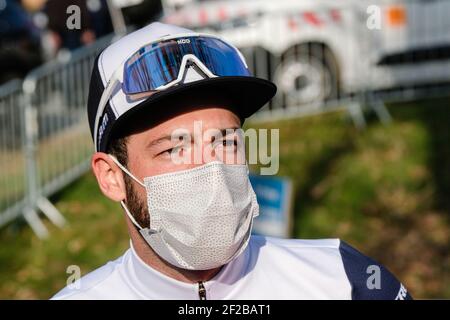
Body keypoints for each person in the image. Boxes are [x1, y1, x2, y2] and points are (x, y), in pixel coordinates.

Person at [52, 22, 412, 300]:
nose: (210, 166)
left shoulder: (343, 280)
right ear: (111, 177)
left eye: (225, 140)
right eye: (173, 149)